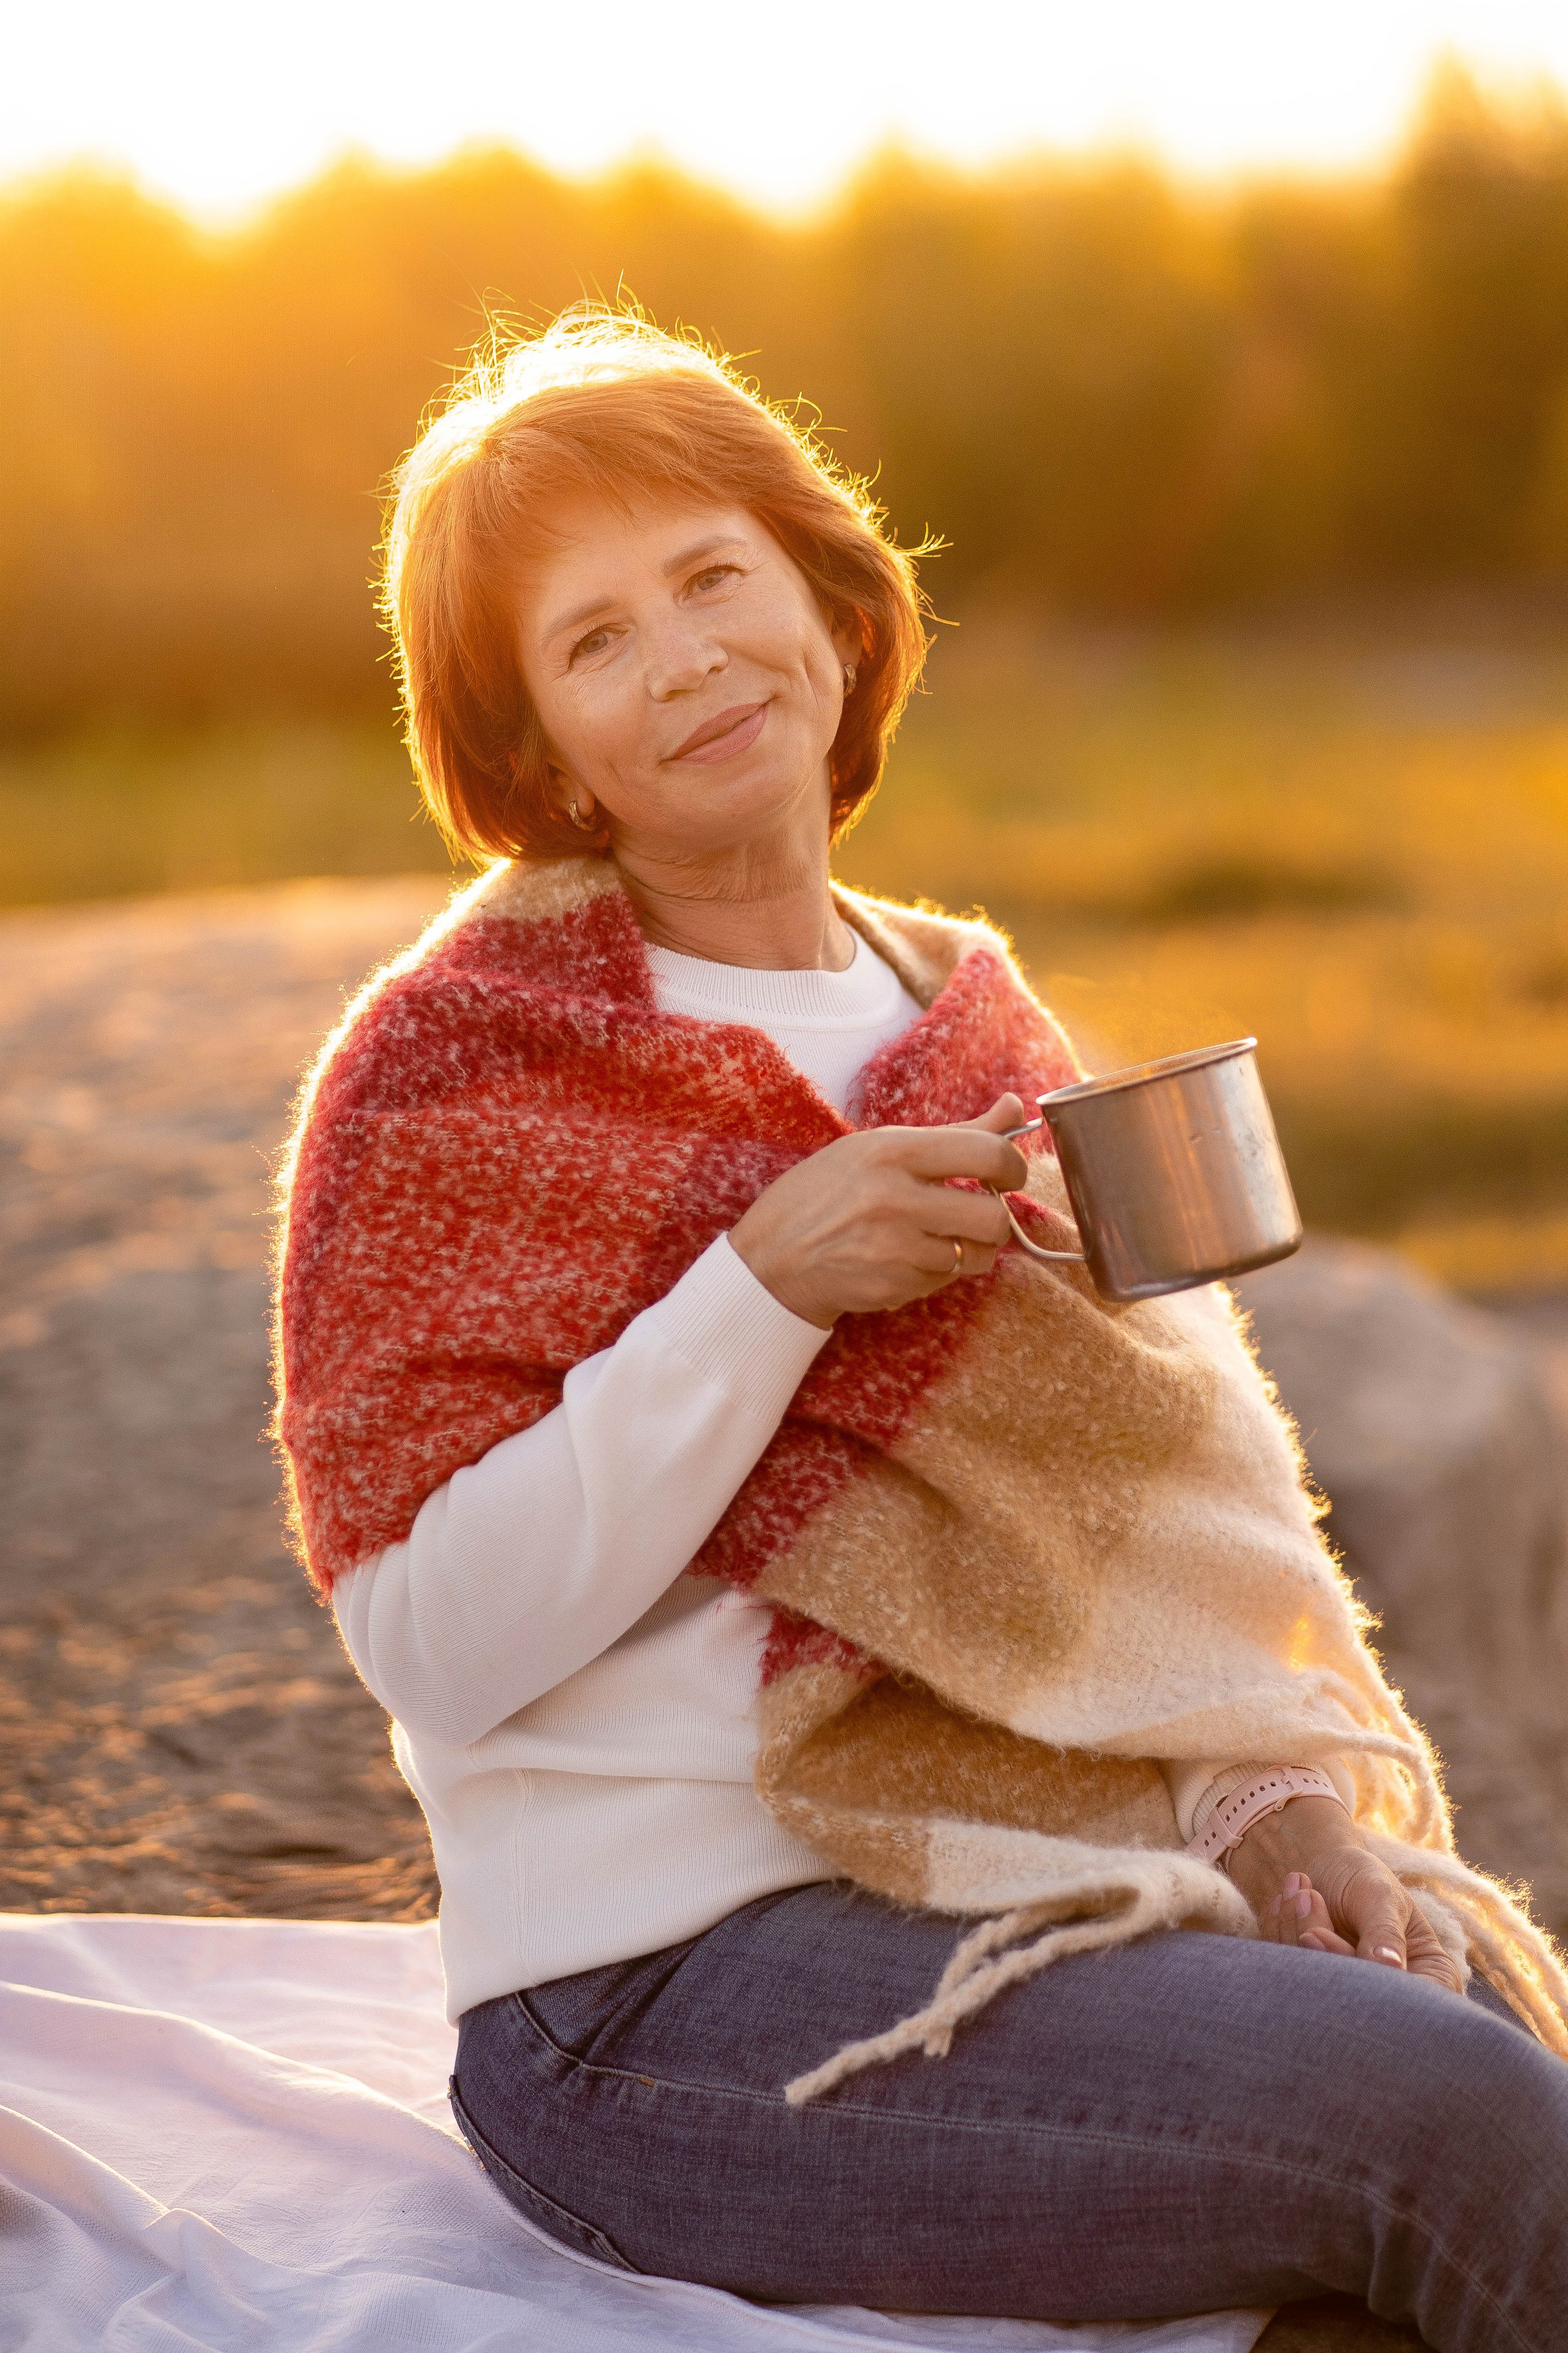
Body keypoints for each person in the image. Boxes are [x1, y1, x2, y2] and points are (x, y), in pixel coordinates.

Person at [274, 311, 1568, 2351]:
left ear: (828, 603)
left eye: (713, 577)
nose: (688, 653)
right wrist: (761, 1291)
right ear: (531, 751)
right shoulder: (454, 1078)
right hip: (645, 1996)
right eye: (594, 638)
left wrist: (1273, 1804)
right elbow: (428, 1637)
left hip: (1009, 1865)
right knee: (1461, 2115)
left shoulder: (962, 1013)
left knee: (1462, 2010)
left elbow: (1171, 1524)